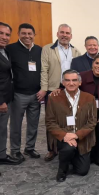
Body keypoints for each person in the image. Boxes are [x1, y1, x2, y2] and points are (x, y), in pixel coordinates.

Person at [46, 69, 97, 182]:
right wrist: (65, 135)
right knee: (68, 149)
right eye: (67, 80)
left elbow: (92, 122)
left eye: (74, 80)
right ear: (63, 82)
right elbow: (50, 122)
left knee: (82, 171)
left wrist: (76, 135)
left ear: (80, 82)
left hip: (82, 137)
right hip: (63, 136)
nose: (71, 83)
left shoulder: (89, 98)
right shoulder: (54, 98)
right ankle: (62, 169)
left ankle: (74, 156)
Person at [40, 24, 81, 162]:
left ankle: (69, 144)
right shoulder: (48, 49)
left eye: (67, 33)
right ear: (57, 34)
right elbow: (44, 70)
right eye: (62, 32)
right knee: (52, 120)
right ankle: (52, 149)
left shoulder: (76, 51)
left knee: (70, 118)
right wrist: (45, 88)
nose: (64, 35)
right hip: (53, 89)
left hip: (70, 89)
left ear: (71, 36)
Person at [7, 23, 42, 162]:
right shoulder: (11, 49)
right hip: (18, 94)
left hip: (36, 94)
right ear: (18, 34)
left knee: (33, 123)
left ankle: (30, 148)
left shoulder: (39, 50)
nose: (27, 36)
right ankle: (15, 150)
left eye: (29, 34)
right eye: (24, 33)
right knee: (16, 124)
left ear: (34, 35)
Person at [0, 22, 20, 166]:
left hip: (7, 96)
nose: (4, 37)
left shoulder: (5, 51)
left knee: (2, 129)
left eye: (7, 34)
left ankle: (1, 155)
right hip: (1, 99)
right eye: (1, 33)